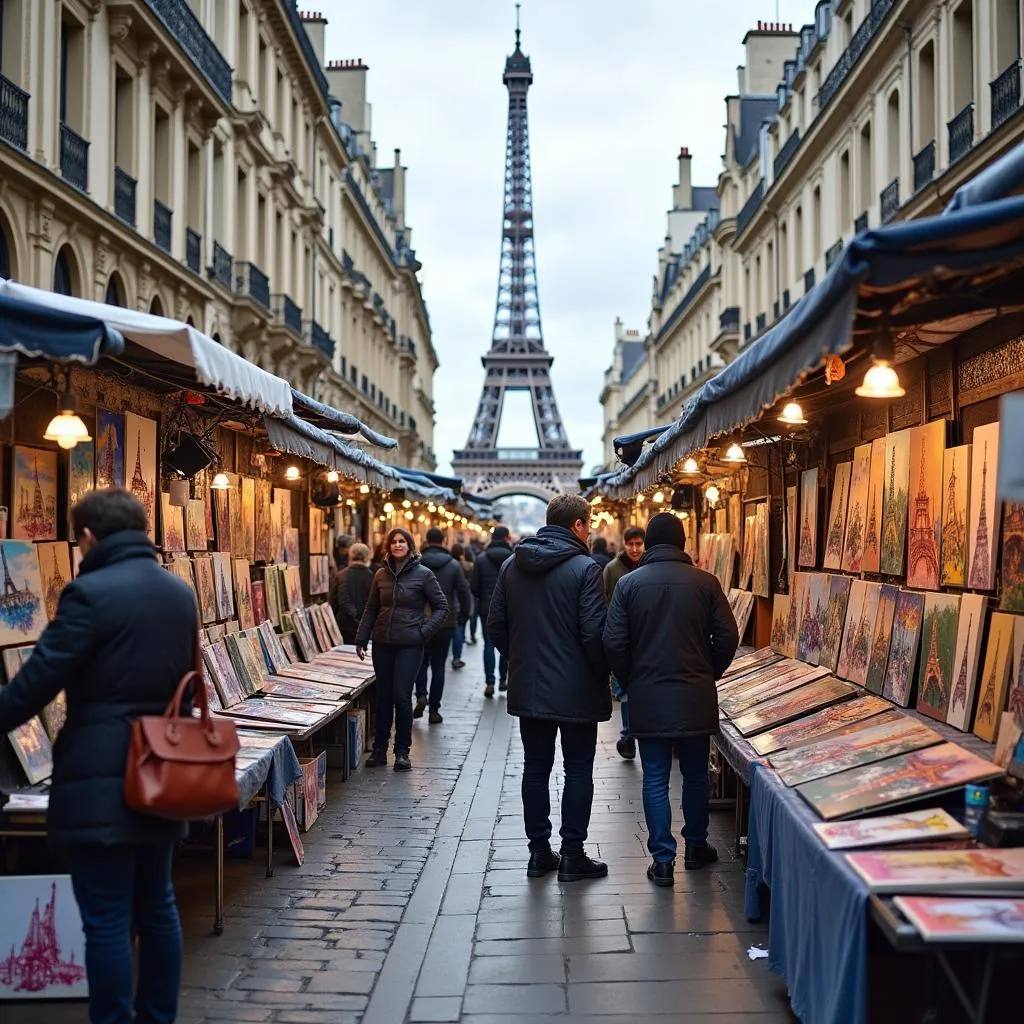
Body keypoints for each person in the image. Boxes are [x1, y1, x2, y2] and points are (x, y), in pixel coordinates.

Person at [0, 489, 197, 1024]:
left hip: (99, 774)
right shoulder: (179, 593)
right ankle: (157, 1017)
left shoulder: (89, 594)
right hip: (162, 770)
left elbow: (38, 681)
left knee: (107, 917)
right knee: (158, 907)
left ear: (87, 536)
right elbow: (191, 688)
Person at [603, 512, 739, 888]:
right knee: (695, 774)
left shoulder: (628, 585)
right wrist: (708, 671)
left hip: (648, 696)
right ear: (682, 543)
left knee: (655, 778)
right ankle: (696, 847)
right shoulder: (706, 583)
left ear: (647, 544)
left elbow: (613, 641)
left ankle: (662, 860)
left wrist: (633, 678)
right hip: (695, 694)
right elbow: (728, 636)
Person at [487, 494, 610, 882]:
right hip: (577, 690)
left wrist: (522, 660)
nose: (590, 531)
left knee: (536, 770)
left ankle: (539, 852)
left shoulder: (511, 565)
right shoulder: (585, 569)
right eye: (588, 524)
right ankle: (573, 855)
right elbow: (593, 634)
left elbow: (495, 627)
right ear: (577, 524)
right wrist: (600, 671)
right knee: (577, 771)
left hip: (530, 689)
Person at [355, 528, 448, 770]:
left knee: (401, 696)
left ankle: (402, 751)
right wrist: (362, 637)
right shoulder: (380, 574)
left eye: (402, 541)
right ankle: (379, 750)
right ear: (388, 546)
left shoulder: (424, 574)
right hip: (383, 643)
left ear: (410, 545)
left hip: (409, 645)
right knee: (383, 697)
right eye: (393, 541)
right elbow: (371, 608)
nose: (397, 545)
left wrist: (423, 633)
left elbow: (441, 607)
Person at [415, 528, 471, 723]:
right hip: (445, 621)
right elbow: (463, 591)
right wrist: (464, 615)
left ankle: (421, 695)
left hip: (420, 620)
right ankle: (434, 710)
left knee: (421, 662)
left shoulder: (417, 563)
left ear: (426, 540)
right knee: (439, 666)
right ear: (444, 540)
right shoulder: (454, 565)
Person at [602, 525, 646, 760]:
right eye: (630, 544)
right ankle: (628, 736)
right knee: (626, 691)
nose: (634, 549)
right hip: (624, 640)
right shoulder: (612, 570)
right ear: (624, 544)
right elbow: (605, 602)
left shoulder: (650, 566)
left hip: (647, 639)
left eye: (638, 544)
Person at [471, 525, 514, 698]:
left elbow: (473, 587)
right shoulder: (513, 559)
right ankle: (503, 679)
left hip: (486, 608)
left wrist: (484, 598)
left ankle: (490, 681)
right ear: (506, 538)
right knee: (506, 643)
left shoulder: (481, 559)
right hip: (508, 608)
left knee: (488, 644)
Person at [331, 542, 374, 645]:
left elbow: (333, 603)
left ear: (350, 555)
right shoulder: (373, 577)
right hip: (366, 627)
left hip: (344, 627)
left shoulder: (340, 576)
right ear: (367, 557)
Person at [450, 542, 473, 668]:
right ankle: (456, 657)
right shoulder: (464, 566)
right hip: (460, 602)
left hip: (448, 601)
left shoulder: (448, 564)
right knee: (459, 630)